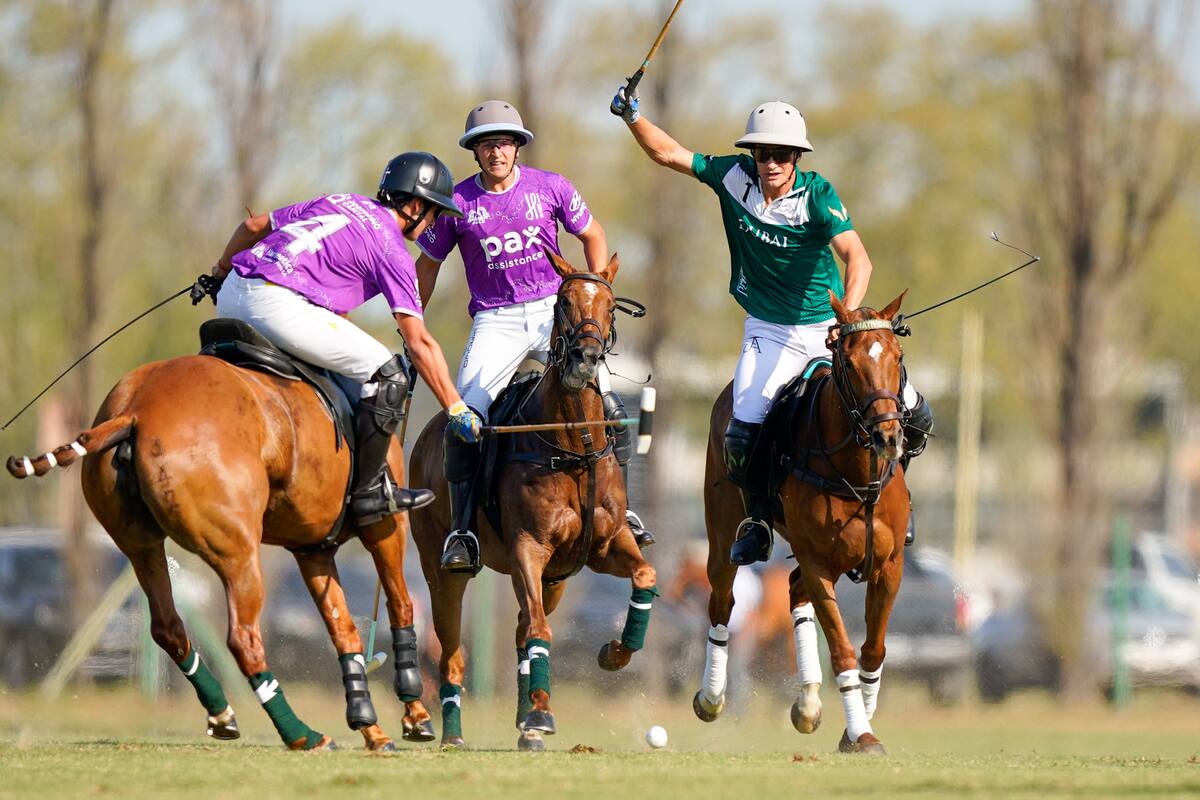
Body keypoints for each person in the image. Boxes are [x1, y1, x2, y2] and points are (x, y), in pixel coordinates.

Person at [611, 88, 933, 566]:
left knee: (913, 413)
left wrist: (848, 316)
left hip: (828, 325)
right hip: (769, 330)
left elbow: (857, 258)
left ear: (797, 157)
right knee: (742, 430)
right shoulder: (733, 178)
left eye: (782, 154)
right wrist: (634, 116)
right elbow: (668, 153)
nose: (772, 163)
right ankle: (758, 519)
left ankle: (896, 502)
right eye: (764, 153)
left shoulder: (818, 196)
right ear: (753, 154)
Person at [414, 100, 653, 575]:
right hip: (495, 320)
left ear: (517, 147)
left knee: (607, 403)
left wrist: (592, 293)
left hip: (553, 311)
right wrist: (411, 323)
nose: (496, 151)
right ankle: (463, 527)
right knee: (466, 415)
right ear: (476, 152)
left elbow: (594, 235)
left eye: (503, 142)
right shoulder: (456, 203)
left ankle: (622, 510)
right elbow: (427, 265)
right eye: (486, 144)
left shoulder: (551, 188)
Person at [198, 151, 484, 527]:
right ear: (414, 204)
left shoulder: (340, 200)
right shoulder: (392, 250)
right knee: (389, 371)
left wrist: (217, 273)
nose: (433, 222)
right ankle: (368, 493)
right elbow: (418, 341)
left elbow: (253, 226)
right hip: (277, 306)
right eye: (433, 211)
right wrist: (455, 406)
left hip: (233, 290)